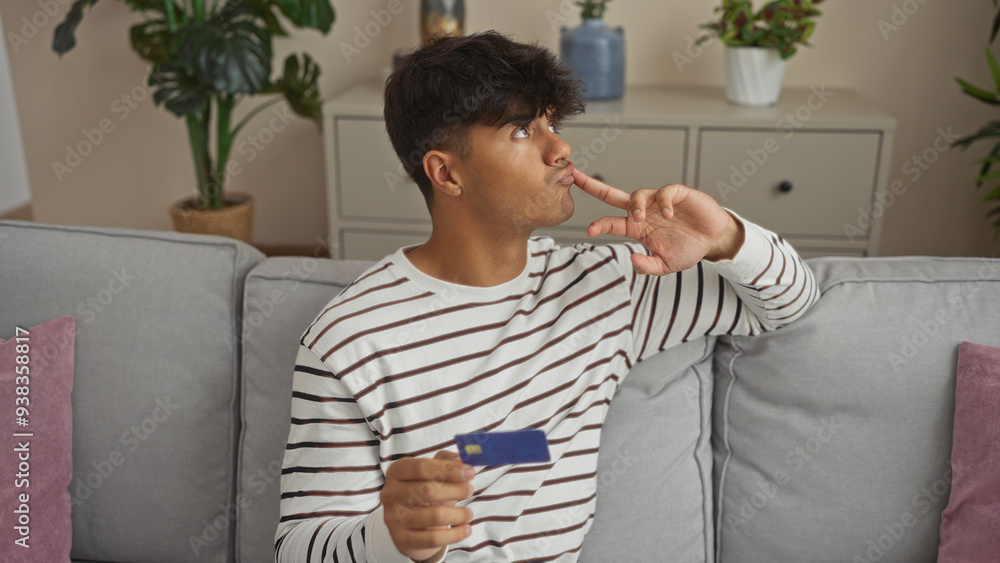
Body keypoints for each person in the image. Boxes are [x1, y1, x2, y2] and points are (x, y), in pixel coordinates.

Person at [275, 30, 819, 563]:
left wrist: (725, 238)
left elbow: (787, 305)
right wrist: (393, 541)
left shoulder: (607, 285)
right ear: (446, 172)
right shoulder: (348, 337)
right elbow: (300, 548)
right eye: (520, 131)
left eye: (552, 123)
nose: (561, 149)